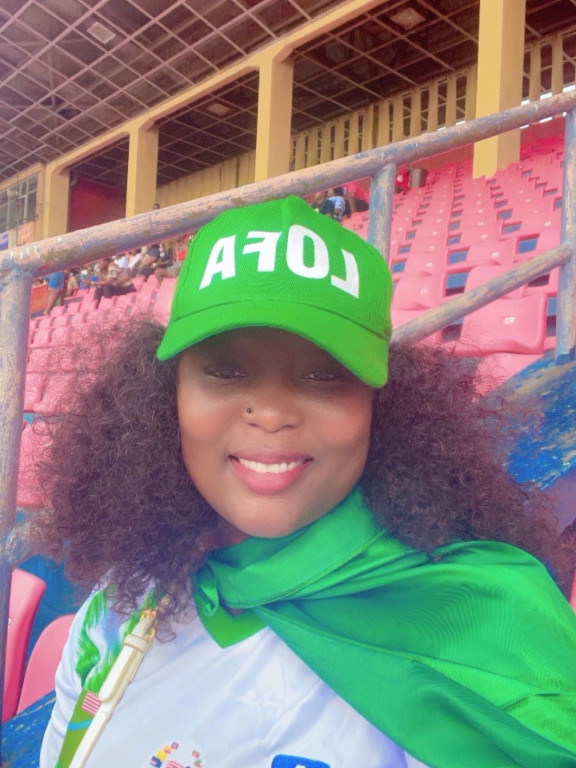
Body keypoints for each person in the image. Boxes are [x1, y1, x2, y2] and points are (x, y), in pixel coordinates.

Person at [36, 197, 576, 768]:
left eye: (324, 374)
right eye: (225, 369)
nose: (271, 414)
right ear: (165, 394)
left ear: (383, 406)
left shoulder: (482, 627)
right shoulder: (117, 610)